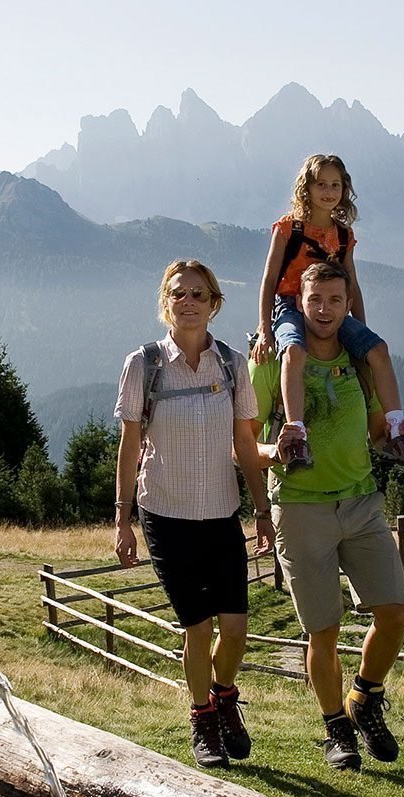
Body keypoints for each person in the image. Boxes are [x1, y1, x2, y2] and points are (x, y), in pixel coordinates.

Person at [250, 260, 404, 770]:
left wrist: (396, 435)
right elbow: (244, 442)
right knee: (322, 628)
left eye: (335, 301)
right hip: (301, 508)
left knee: (394, 613)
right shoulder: (272, 361)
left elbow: (372, 430)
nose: (324, 310)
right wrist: (273, 452)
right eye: (315, 300)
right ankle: (335, 729)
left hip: (362, 500)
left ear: (349, 306)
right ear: (298, 303)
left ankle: (364, 698)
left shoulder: (360, 360)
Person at [112, 259, 274, 769]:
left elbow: (245, 442)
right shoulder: (144, 364)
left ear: (214, 303)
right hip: (167, 515)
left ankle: (225, 695)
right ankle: (203, 718)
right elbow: (128, 445)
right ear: (166, 300)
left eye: (198, 294)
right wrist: (123, 520)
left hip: (222, 514)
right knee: (198, 629)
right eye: (179, 294)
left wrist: (262, 509)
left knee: (237, 627)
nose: (188, 302)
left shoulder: (230, 364)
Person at [249, 153, 404, 473]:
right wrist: (265, 328)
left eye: (335, 185)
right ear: (307, 188)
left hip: (335, 306)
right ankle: (297, 431)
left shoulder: (343, 235)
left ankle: (397, 428)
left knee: (379, 349)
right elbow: (269, 280)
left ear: (344, 190)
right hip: (290, 304)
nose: (328, 192)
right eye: (321, 184)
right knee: (294, 352)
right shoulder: (288, 229)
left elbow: (351, 284)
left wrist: (361, 333)